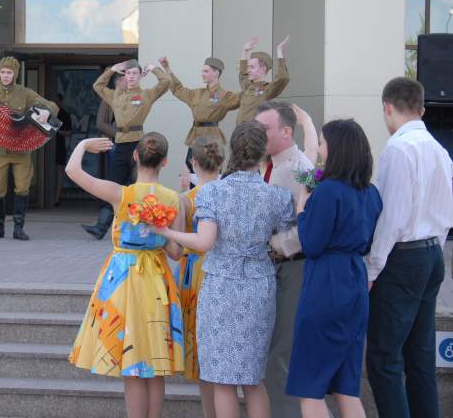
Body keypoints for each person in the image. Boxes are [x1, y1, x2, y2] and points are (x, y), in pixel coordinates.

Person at [150, 120, 294, 418]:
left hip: (220, 287)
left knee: (222, 379)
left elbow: (204, 241)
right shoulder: (277, 196)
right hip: (259, 286)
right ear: (263, 153)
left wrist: (166, 232)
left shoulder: (212, 193)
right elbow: (281, 242)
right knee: (254, 379)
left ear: (233, 151)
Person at [67, 133, 186, 418]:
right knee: (155, 362)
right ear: (164, 161)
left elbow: (73, 171)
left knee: (133, 365)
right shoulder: (174, 199)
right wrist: (156, 233)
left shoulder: (121, 194)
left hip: (123, 279)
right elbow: (176, 252)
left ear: (135, 156)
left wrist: (83, 145)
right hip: (157, 279)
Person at [365, 77, 453, 418]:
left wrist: (372, 268)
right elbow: (445, 214)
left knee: (384, 359)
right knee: (420, 359)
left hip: (403, 259)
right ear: (423, 110)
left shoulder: (399, 149)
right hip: (432, 255)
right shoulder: (439, 150)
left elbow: (392, 218)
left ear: (386, 107)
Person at [286, 119, 382, 418]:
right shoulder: (371, 193)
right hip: (356, 282)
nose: (319, 150)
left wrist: (302, 209)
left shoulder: (327, 190)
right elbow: (367, 243)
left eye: (322, 144)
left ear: (337, 149)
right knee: (346, 387)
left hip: (326, 284)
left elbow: (312, 245)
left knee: (309, 387)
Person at [254, 100, 316, 418]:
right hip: (278, 268)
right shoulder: (274, 164)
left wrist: (271, 241)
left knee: (279, 355)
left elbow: (309, 228)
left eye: (264, 129)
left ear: (287, 131)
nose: (258, 134)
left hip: (293, 267)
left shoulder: (298, 168)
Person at [0, 56, 58, 241]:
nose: (5, 75)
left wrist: (46, 111)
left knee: (23, 188)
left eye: (9, 72)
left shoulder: (25, 93)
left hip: (21, 151)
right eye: (2, 72)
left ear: (15, 74)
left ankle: (18, 228)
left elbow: (51, 105)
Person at [81, 59, 170, 240]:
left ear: (141, 76)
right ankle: (101, 227)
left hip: (137, 144)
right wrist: (111, 69)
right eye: (128, 73)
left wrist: (153, 69)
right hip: (120, 144)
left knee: (140, 187)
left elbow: (166, 82)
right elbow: (97, 86)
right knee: (113, 184)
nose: (130, 77)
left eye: (134, 73)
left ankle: (147, 227)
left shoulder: (146, 95)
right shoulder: (116, 96)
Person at [173, 136, 225, 418]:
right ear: (222, 162)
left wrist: (184, 193)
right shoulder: (227, 193)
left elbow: (178, 246)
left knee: (202, 354)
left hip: (194, 274)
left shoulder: (188, 199)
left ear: (193, 162)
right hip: (223, 269)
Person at [158, 56, 241, 172]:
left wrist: (245, 73)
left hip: (212, 141)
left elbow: (244, 97)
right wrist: (167, 68)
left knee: (212, 175)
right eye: (202, 71)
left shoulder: (225, 95)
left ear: (216, 73)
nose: (202, 74)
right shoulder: (197, 93)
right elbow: (178, 89)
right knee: (191, 175)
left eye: (206, 71)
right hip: (195, 140)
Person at [236, 36, 291, 124]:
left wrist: (279, 51)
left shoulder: (267, 90)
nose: (248, 70)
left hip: (255, 132)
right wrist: (244, 51)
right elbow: (243, 75)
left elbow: (282, 77)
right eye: (248, 67)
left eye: (252, 67)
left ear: (263, 69)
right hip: (240, 132)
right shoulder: (248, 87)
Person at [95, 73, 127, 172]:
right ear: (118, 83)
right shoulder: (107, 101)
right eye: (126, 82)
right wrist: (118, 134)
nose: (129, 85)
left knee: (130, 175)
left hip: (129, 141)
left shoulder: (130, 100)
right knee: (115, 174)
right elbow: (100, 123)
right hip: (114, 142)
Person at [53, 94, 73, 206]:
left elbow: (69, 132)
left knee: (59, 169)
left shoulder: (65, 114)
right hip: (46, 145)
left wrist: (57, 131)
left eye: (57, 100)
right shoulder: (45, 112)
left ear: (61, 101)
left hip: (59, 144)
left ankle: (57, 197)